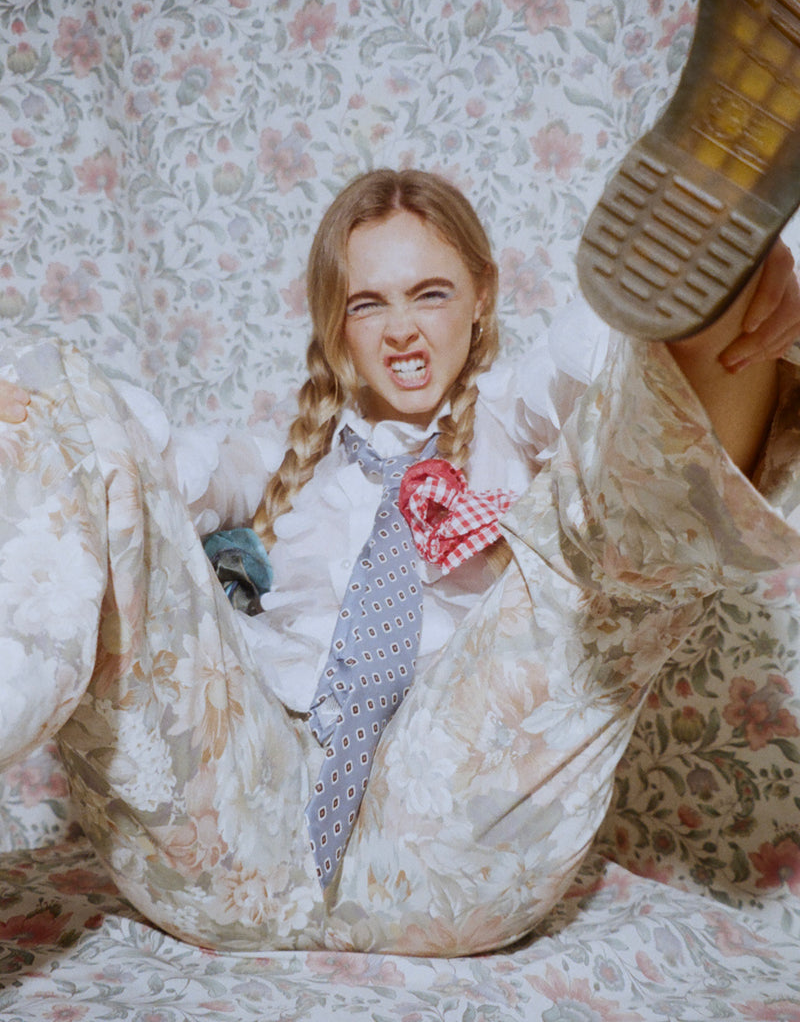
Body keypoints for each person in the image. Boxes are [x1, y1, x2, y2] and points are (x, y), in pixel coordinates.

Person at [1, 164, 800, 959]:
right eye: (367, 304)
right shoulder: (285, 460)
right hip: (237, 847)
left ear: (483, 295)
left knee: (604, 504)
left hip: (446, 841)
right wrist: (76, 450)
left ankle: (724, 305)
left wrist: (677, 314)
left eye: (432, 293)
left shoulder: (515, 423)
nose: (402, 330)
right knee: (56, 389)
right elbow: (178, 473)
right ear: (335, 322)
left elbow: (572, 379)